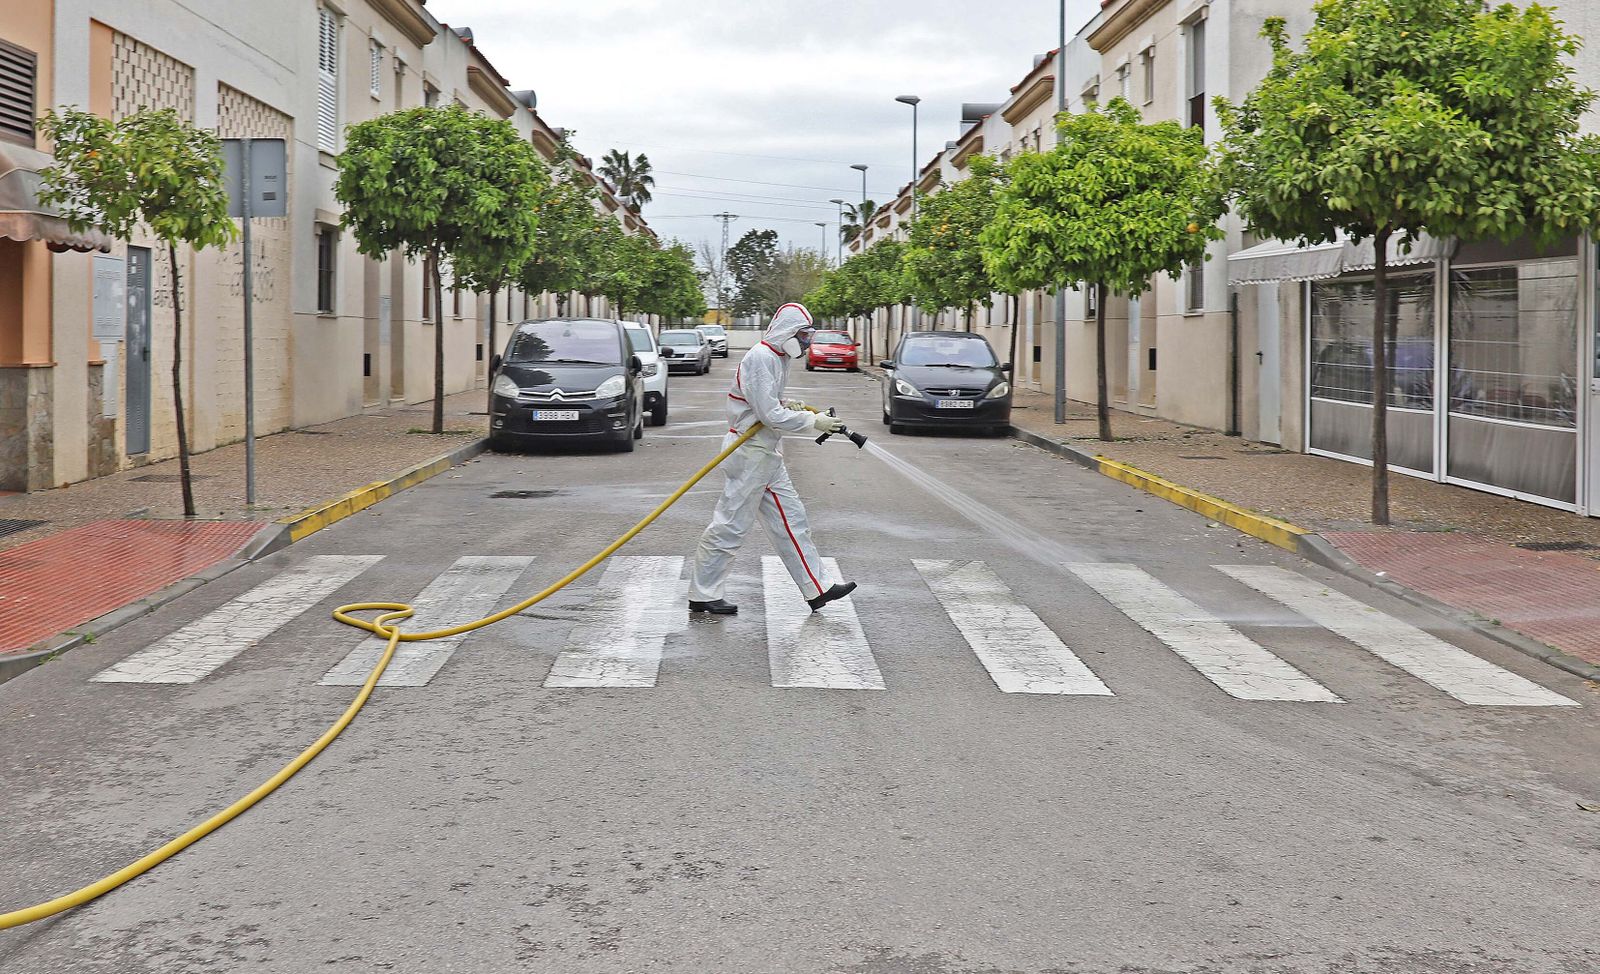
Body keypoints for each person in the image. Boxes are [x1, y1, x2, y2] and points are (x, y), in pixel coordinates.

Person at [688, 303, 857, 616]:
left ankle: (817, 588)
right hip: (749, 452)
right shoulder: (762, 357)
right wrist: (813, 422)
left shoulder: (777, 358)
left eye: (809, 335)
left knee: (792, 520)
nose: (807, 342)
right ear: (788, 332)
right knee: (731, 526)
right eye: (804, 335)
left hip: (763, 453)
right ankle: (703, 593)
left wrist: (791, 406)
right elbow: (768, 415)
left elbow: (766, 405)